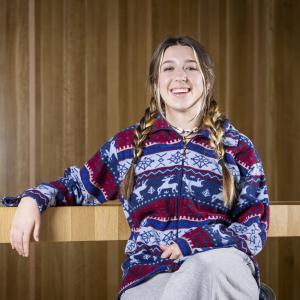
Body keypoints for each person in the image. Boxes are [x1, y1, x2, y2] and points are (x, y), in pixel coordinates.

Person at [1, 36, 269, 300]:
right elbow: (77, 187)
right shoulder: (127, 146)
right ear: (155, 83)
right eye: (168, 68)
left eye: (191, 67)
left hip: (221, 266)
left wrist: (194, 242)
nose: (180, 76)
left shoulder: (238, 148)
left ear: (207, 79)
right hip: (150, 272)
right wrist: (32, 200)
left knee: (202, 269)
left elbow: (253, 227)